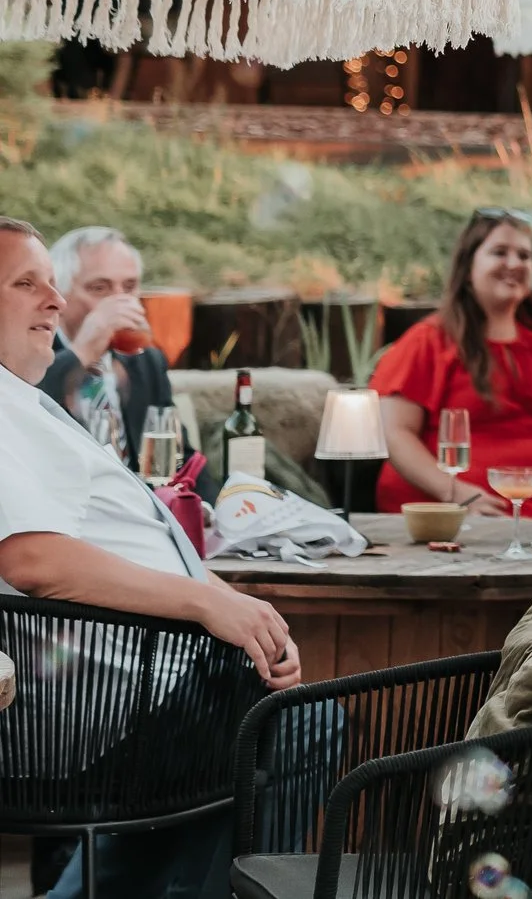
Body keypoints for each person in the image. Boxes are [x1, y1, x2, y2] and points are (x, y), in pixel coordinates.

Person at [0, 218, 302, 899]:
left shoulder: (23, 403)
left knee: (274, 727)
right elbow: (34, 559)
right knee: (303, 728)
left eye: (54, 282)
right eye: (27, 283)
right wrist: (206, 601)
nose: (54, 299)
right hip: (119, 697)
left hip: (150, 679)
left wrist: (237, 602)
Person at [370, 210, 532, 521]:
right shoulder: (430, 341)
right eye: (499, 252)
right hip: (470, 516)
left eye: (524, 255)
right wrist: (457, 494)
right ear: (467, 266)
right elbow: (394, 433)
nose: (514, 263)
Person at [39, 225, 179, 472]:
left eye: (129, 287)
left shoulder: (147, 361)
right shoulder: (32, 353)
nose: (119, 301)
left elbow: (180, 453)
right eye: (100, 288)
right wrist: (82, 352)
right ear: (59, 293)